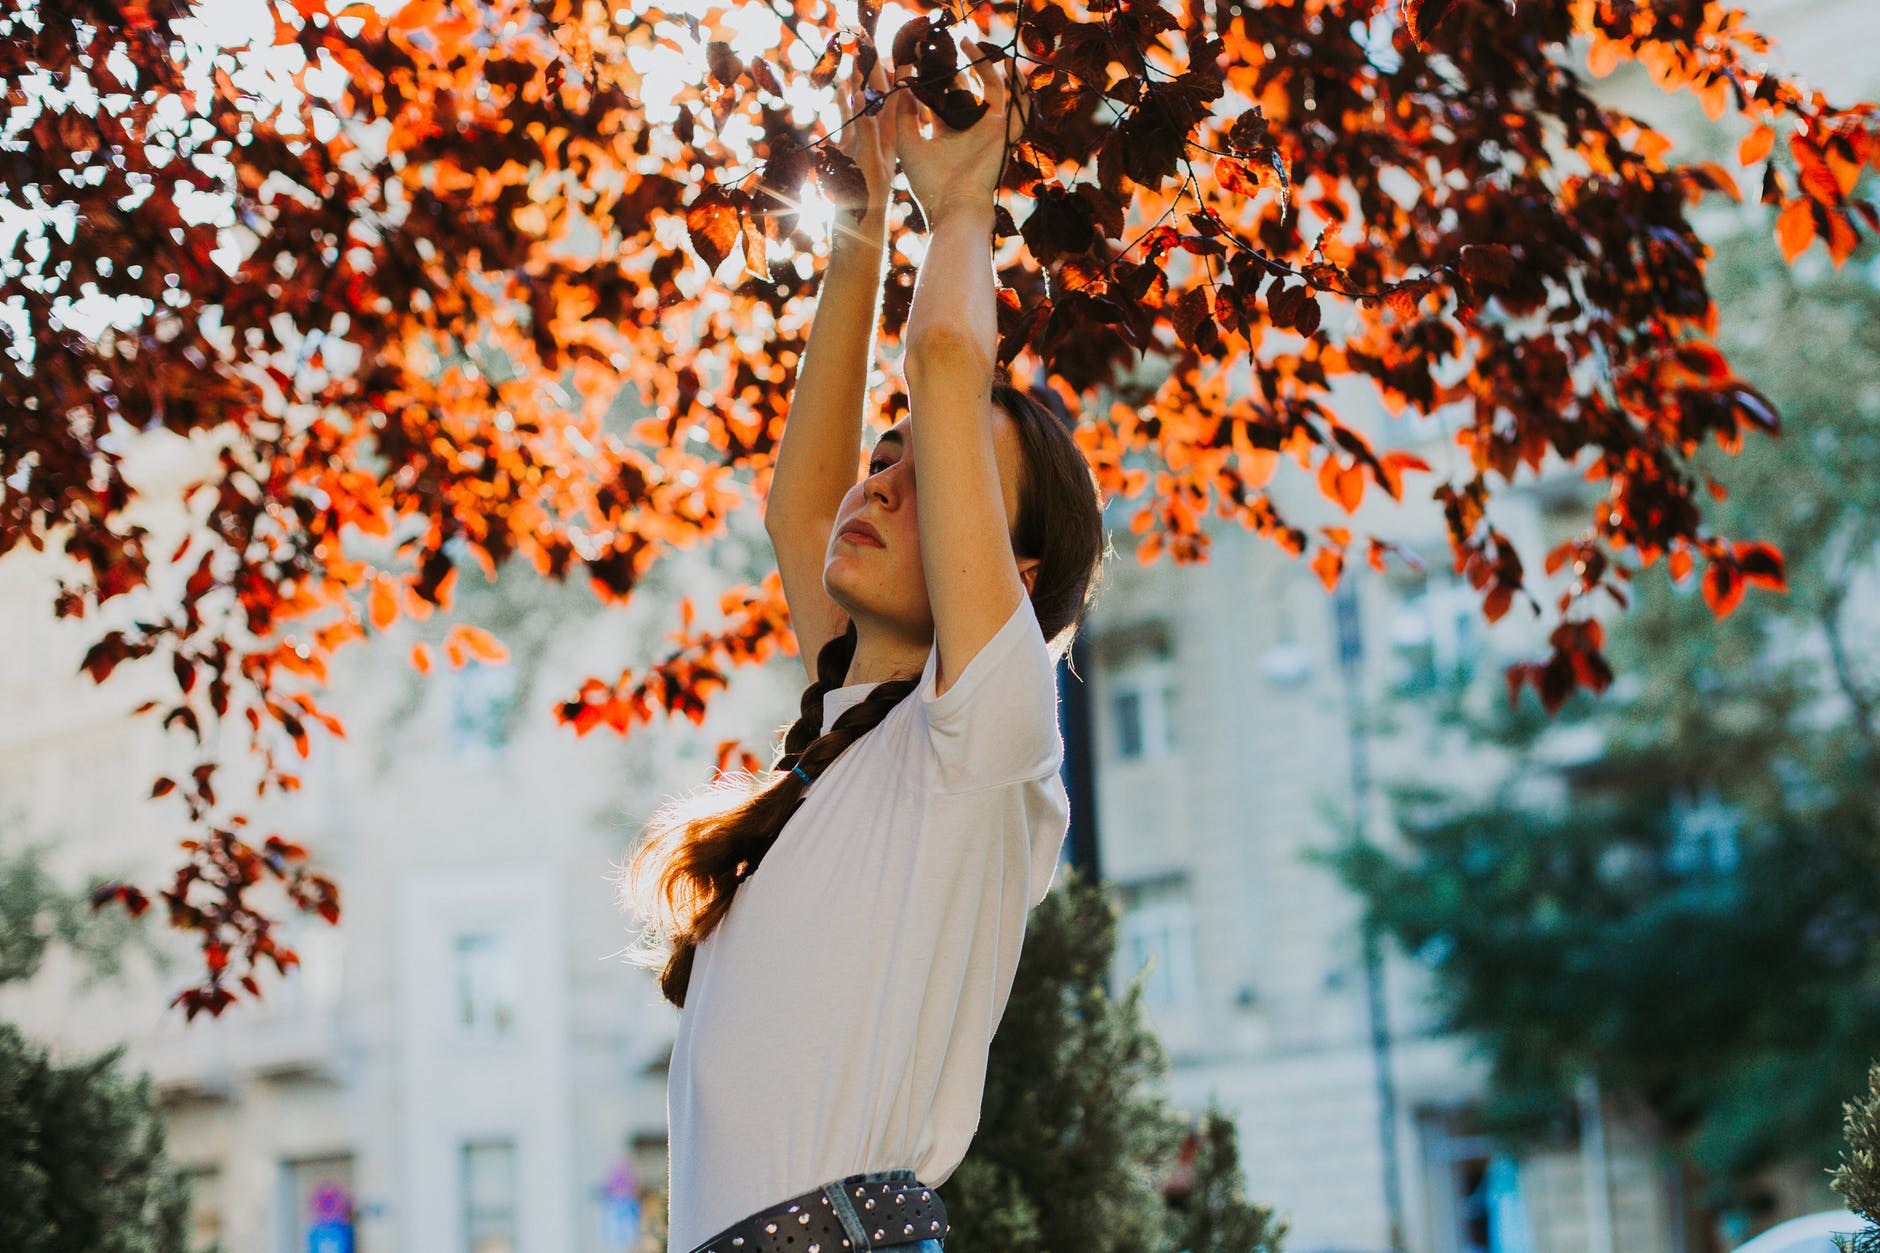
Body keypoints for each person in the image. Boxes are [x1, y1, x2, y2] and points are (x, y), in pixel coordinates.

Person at [618, 41, 1107, 1253]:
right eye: (884, 458)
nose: (880, 480)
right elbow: (799, 509)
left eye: (929, 471)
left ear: (1012, 572)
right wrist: (862, 215)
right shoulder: (848, 741)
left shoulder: (984, 740)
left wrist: (961, 204)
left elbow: (945, 357)